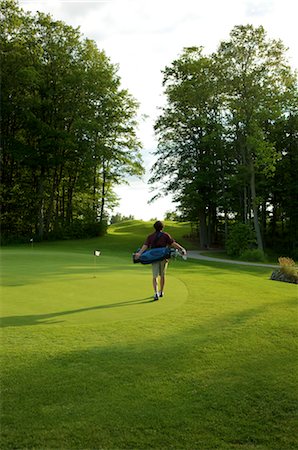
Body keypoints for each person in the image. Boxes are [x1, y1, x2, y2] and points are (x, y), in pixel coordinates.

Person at [134, 221, 187, 301]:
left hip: (153, 257)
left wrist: (139, 253)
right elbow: (173, 243)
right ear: (162, 227)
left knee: (154, 276)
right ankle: (161, 291)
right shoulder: (165, 235)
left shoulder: (150, 236)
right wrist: (181, 248)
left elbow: (145, 246)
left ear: (154, 227)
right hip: (163, 257)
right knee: (162, 275)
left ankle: (156, 293)